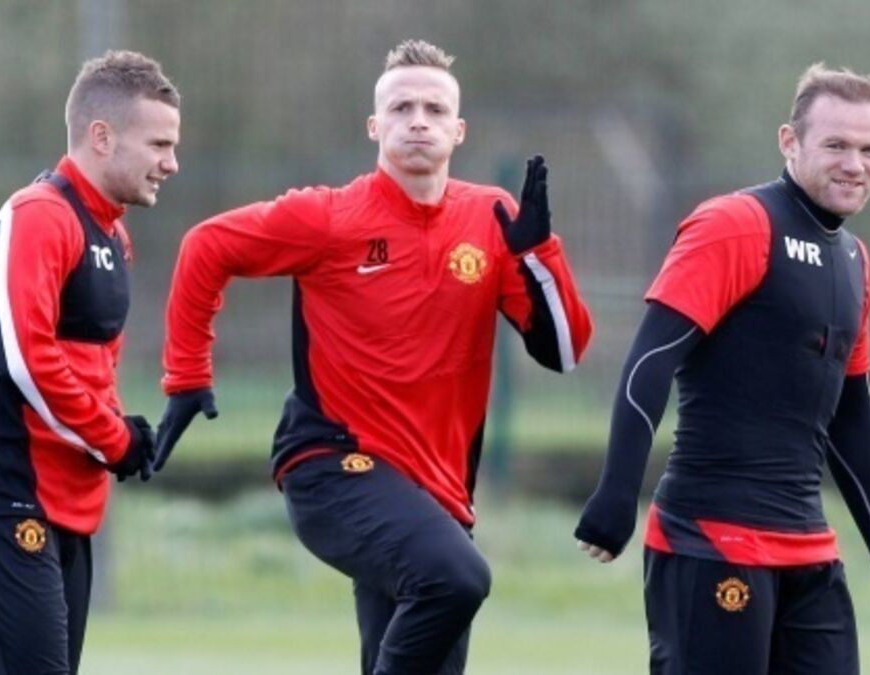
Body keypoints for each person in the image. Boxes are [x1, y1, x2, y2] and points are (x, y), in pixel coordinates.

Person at [154, 39, 593, 675]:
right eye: (402, 108)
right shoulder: (328, 218)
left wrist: (537, 255)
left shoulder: (494, 218)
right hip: (333, 462)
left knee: (435, 614)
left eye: (435, 110)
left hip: (438, 494)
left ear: (459, 130)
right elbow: (205, 247)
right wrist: (187, 375)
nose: (419, 121)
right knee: (457, 578)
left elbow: (565, 352)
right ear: (374, 125)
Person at [574, 63, 870, 675]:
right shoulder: (735, 224)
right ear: (790, 142)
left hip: (809, 551)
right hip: (710, 538)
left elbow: (851, 417)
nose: (855, 164)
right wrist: (617, 493)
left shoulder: (854, 261)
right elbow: (650, 362)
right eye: (836, 145)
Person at [0, 50, 180, 674]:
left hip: (68, 501)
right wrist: (113, 439)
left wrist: (120, 432)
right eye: (158, 144)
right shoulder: (39, 215)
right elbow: (26, 358)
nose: (171, 163)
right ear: (102, 136)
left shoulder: (114, 237)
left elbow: (93, 367)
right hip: (3, 492)